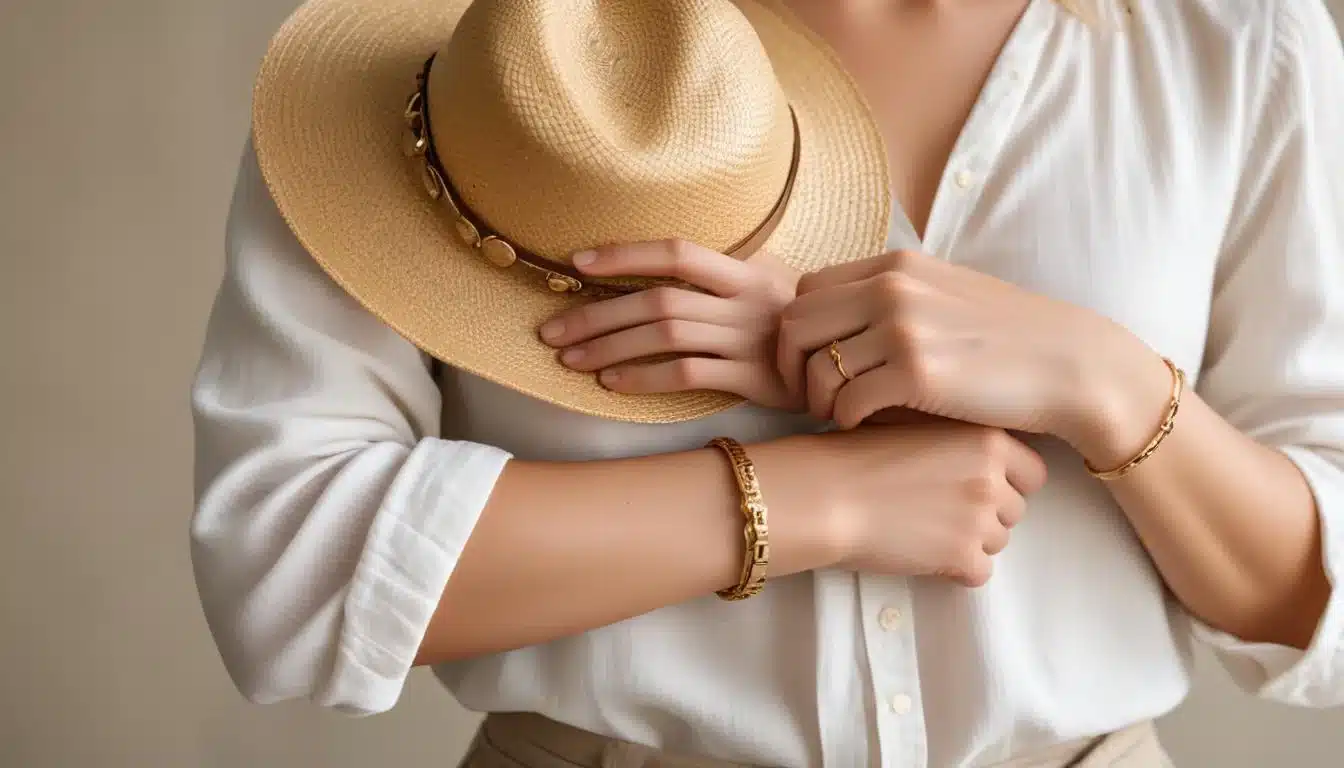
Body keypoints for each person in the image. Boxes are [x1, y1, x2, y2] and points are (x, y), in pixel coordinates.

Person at [190, 0, 1344, 765]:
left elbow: (1320, 613)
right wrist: (813, 499)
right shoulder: (471, 57)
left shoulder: (1241, 42)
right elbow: (286, 563)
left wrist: (1101, 380)